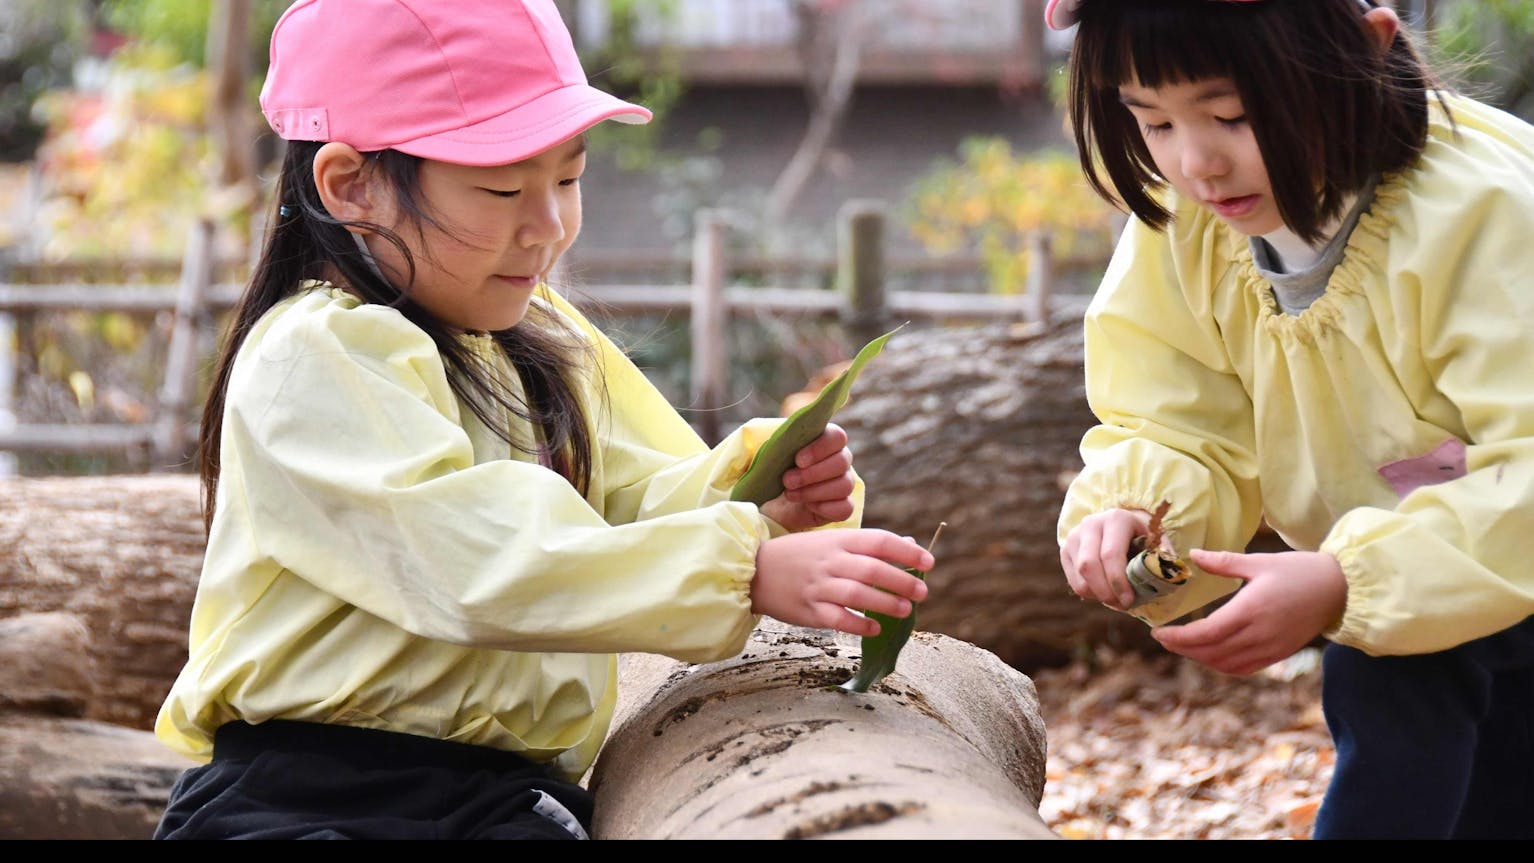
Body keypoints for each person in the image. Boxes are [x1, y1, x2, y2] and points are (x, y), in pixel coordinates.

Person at [152, 0, 932, 841]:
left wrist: (761, 498)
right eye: (502, 189)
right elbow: (473, 558)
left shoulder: (539, 338)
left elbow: (636, 500)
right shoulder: (316, 352)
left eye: (568, 179)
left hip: (504, 798)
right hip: (307, 796)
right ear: (350, 185)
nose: (549, 226)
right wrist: (742, 568)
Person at [1047, 0, 1534, 840]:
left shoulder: (1479, 215)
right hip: (1430, 566)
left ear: (1367, 50)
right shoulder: (1192, 222)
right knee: (1463, 746)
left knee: (1402, 684)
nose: (1197, 161)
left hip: (1495, 534)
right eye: (1155, 122)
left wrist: (1346, 580)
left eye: (1233, 114)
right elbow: (1177, 417)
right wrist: (1139, 516)